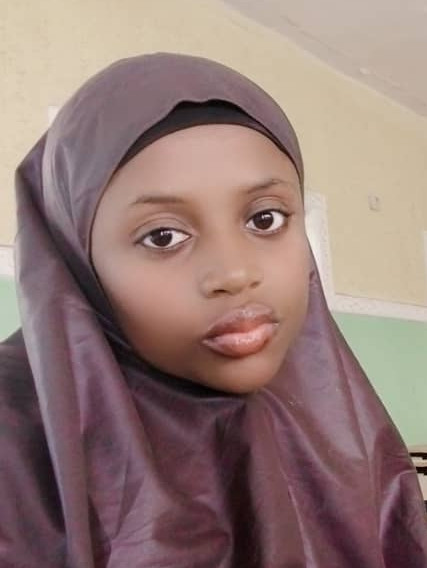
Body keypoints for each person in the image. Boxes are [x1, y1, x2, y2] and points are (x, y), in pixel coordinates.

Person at [0, 53, 426, 568]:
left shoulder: (332, 415)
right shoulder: (14, 440)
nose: (235, 273)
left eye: (265, 219)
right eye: (163, 236)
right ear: (76, 260)